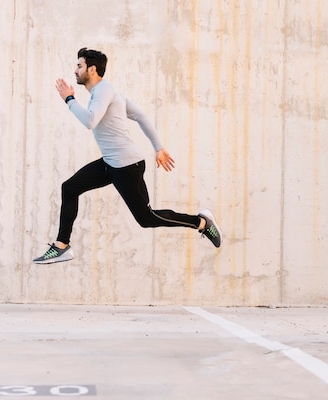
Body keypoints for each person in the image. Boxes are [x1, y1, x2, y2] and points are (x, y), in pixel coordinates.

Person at [33, 48, 222, 264]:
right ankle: (62, 246)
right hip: (110, 163)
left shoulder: (104, 90)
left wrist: (69, 99)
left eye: (79, 66)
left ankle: (202, 223)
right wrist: (159, 148)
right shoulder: (106, 92)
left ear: (92, 69)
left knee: (147, 218)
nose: (75, 70)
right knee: (70, 188)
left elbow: (90, 121)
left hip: (126, 166)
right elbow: (140, 115)